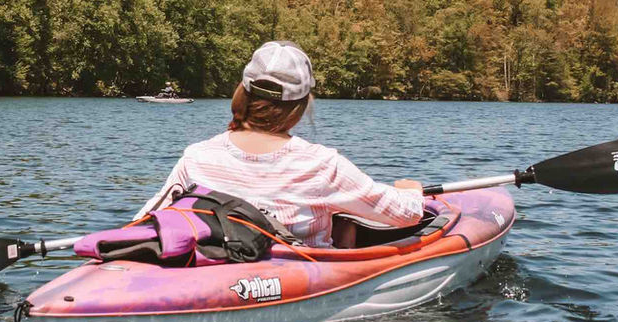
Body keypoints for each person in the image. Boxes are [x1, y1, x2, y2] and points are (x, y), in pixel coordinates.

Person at [134, 41, 424, 248]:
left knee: (343, 222)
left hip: (215, 271)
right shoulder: (321, 165)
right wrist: (412, 191)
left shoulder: (197, 156)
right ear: (301, 104)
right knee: (345, 223)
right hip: (297, 282)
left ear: (243, 91)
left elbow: (143, 221)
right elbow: (407, 214)